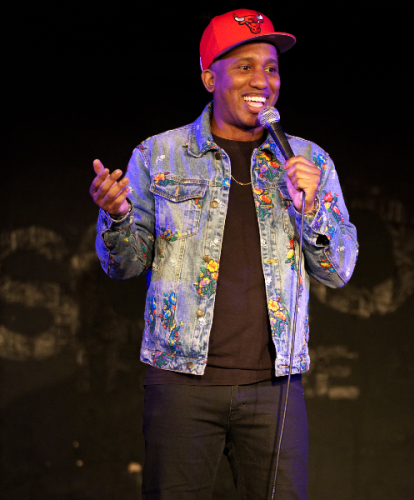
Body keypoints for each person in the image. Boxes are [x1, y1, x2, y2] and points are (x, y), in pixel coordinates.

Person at [89, 8, 358, 500]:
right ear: (209, 77)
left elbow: (338, 271)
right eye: (244, 66)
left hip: (275, 388)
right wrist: (118, 216)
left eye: (271, 68)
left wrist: (312, 209)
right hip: (182, 383)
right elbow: (123, 264)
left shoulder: (307, 161)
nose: (263, 80)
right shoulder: (159, 155)